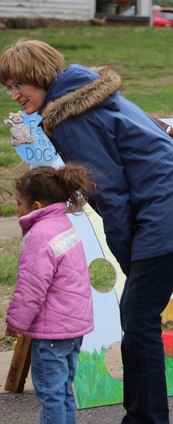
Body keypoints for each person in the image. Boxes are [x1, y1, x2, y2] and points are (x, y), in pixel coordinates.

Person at [0, 39, 173, 423]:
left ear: (39, 76)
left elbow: (112, 194)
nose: (14, 94)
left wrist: (128, 258)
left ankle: (145, 419)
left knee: (138, 322)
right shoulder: (82, 92)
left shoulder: (69, 116)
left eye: (19, 84)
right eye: (8, 87)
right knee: (138, 318)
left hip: (164, 208)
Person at [5, 164, 96, 424]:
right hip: (73, 327)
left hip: (52, 331)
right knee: (63, 391)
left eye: (19, 203)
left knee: (50, 394)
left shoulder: (40, 235)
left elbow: (32, 286)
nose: (16, 209)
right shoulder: (62, 224)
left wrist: (16, 323)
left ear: (36, 206)